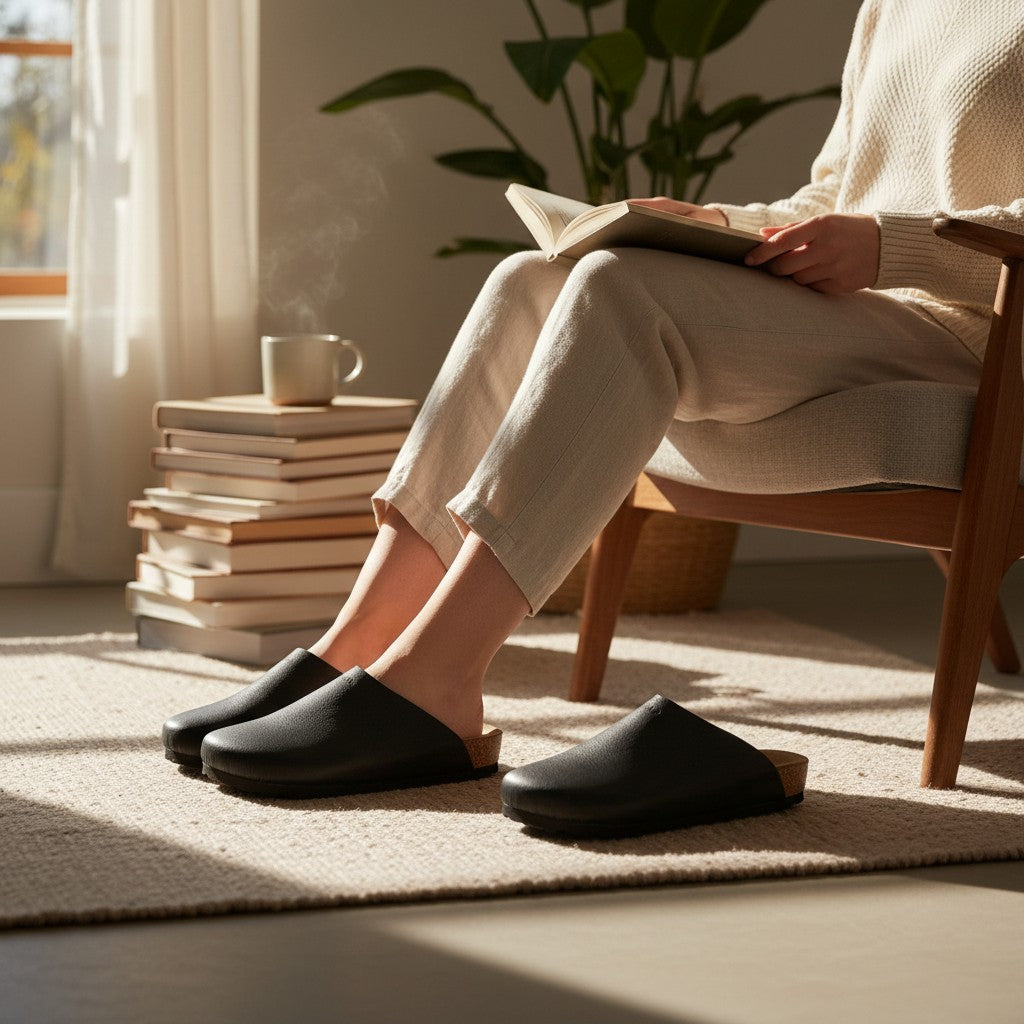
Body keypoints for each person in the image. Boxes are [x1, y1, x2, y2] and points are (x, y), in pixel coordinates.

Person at [163, 0, 1023, 820]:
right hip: (866, 312)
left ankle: (441, 679)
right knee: (530, 279)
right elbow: (831, 194)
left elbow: (892, 227)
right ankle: (357, 646)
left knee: (620, 291)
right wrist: (719, 221)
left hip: (977, 339)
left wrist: (888, 246)